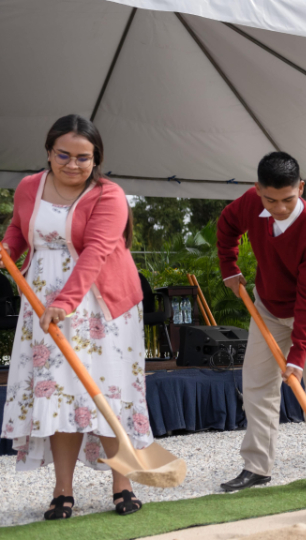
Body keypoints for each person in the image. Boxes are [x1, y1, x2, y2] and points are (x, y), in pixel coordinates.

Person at [1, 115, 149, 519]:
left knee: (106, 393)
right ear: (48, 152)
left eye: (84, 157)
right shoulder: (30, 187)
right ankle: (62, 491)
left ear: (96, 159)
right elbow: (19, 229)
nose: (73, 164)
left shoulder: (109, 195)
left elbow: (96, 253)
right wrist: (7, 248)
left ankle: (123, 483)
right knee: (59, 394)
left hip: (100, 306)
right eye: (63, 154)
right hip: (41, 301)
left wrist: (65, 303)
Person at [217, 152, 306, 492]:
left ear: (301, 188)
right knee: (257, 384)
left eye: (288, 199)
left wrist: (297, 359)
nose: (280, 208)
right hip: (268, 308)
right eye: (270, 200)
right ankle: (257, 467)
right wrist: (229, 266)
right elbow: (227, 226)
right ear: (257, 190)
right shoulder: (249, 203)